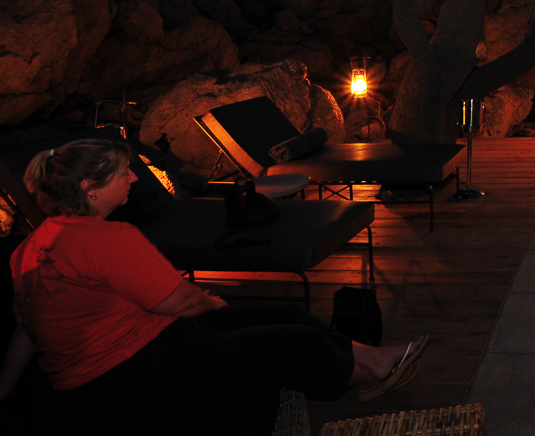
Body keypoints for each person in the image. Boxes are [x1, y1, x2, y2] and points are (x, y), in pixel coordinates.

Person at [0, 138, 426, 435]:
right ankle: (367, 375)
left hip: (132, 355)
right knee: (290, 343)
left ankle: (372, 361)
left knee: (284, 313)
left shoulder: (30, 247)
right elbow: (183, 302)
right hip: (131, 373)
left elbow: (25, 331)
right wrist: (212, 303)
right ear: (90, 190)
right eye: (122, 174)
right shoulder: (106, 239)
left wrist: (3, 391)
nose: (133, 179)